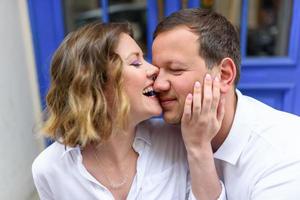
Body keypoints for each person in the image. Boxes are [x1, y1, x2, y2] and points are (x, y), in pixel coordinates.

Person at [32, 22, 225, 200]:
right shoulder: (50, 170)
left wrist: (199, 148)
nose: (154, 70)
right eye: (135, 63)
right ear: (94, 84)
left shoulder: (178, 141)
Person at [152, 8, 300, 199]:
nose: (158, 84)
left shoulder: (285, 152)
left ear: (224, 75)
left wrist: (198, 149)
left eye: (175, 70)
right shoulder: (161, 138)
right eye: (155, 72)